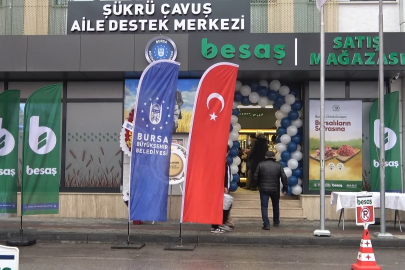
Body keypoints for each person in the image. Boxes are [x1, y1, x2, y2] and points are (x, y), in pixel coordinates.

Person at [254, 151, 288, 230]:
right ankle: (276, 221)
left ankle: (266, 224)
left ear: (265, 157)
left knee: (264, 206)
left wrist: (258, 185)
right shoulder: (278, 165)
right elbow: (284, 178)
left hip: (263, 188)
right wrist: (285, 188)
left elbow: (255, 177)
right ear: (274, 157)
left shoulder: (260, 164)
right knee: (276, 205)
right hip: (275, 189)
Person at [211, 146, 233, 233]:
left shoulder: (219, 162)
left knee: (223, 206)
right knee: (224, 206)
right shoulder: (223, 163)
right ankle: (218, 225)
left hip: (219, 188)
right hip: (222, 189)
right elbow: (225, 177)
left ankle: (219, 224)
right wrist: (225, 187)